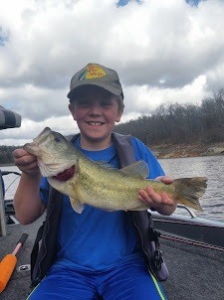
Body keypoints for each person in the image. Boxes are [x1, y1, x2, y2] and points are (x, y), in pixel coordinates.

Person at [13, 63, 176, 300]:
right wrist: (30, 174)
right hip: (67, 270)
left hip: (129, 268)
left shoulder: (135, 149)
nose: (95, 111)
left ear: (119, 111)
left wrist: (164, 202)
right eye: (85, 103)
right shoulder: (54, 167)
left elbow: (169, 205)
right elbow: (25, 216)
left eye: (105, 103)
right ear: (73, 110)